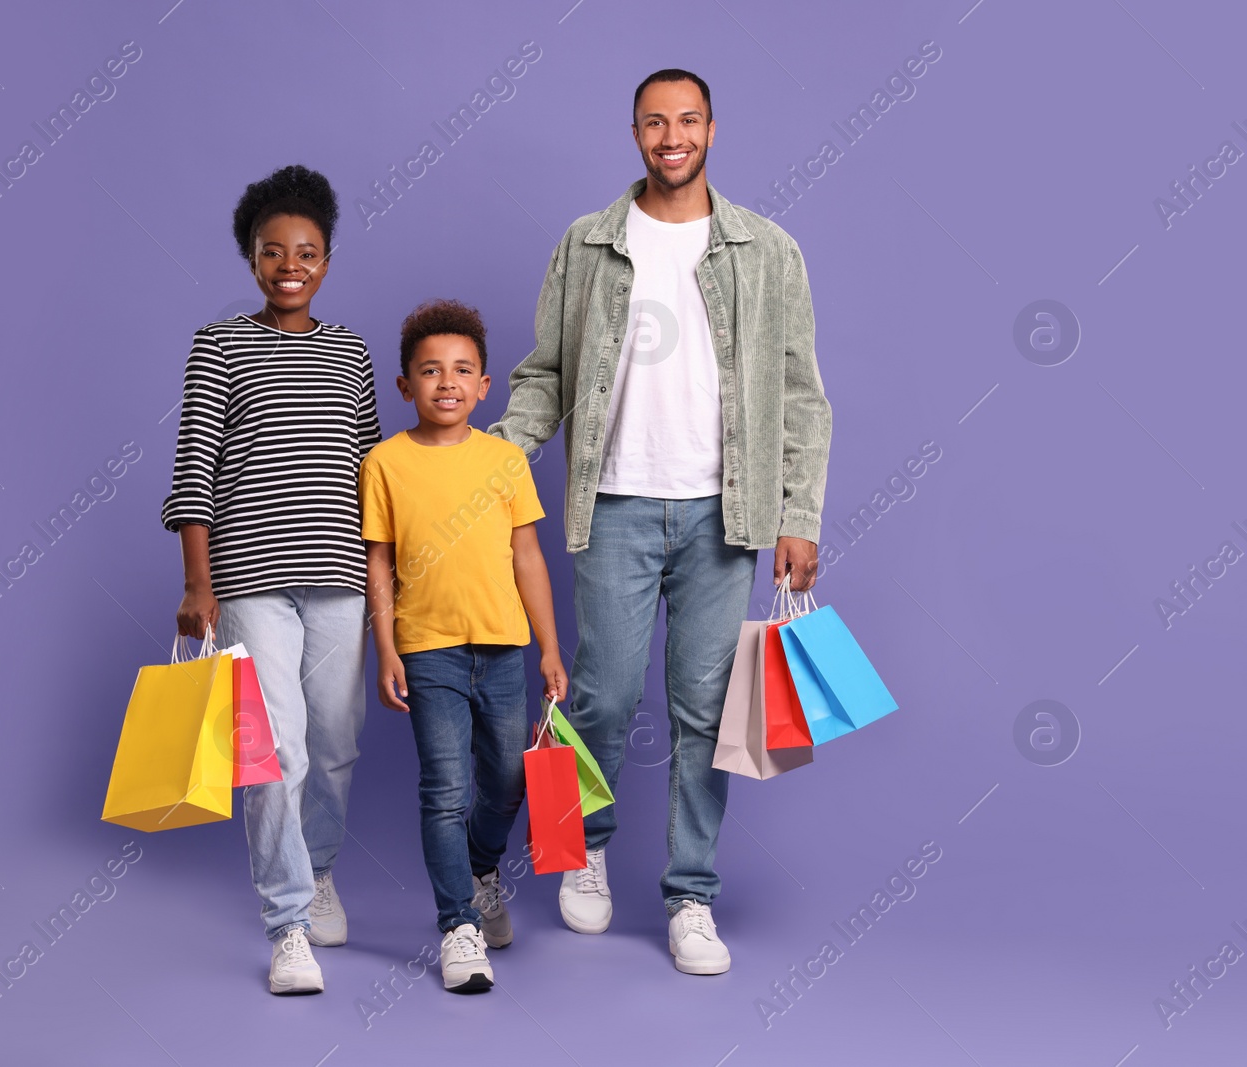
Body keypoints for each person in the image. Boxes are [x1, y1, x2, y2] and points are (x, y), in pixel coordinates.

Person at [487, 69, 832, 975]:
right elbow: (545, 376)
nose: (671, 136)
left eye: (687, 120)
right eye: (654, 122)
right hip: (614, 502)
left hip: (730, 512)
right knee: (596, 694)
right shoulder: (588, 243)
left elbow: (802, 397)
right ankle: (578, 846)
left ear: (712, 127)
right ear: (634, 132)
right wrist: (491, 464)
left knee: (706, 710)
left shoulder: (767, 250)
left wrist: (799, 514)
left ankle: (691, 896)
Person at [163, 165, 380, 996]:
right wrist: (197, 582)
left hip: (339, 578)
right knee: (277, 749)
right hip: (250, 580)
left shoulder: (352, 353)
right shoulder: (219, 344)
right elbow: (194, 469)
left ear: (326, 261)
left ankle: (318, 868)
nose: (291, 264)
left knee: (335, 744)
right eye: (273, 252)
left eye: (308, 252)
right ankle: (289, 921)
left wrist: (386, 582)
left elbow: (370, 473)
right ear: (252, 260)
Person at [360, 299, 567, 992]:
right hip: (429, 652)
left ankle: (482, 868)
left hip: (506, 649)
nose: (445, 382)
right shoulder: (384, 463)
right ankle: (459, 925)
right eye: (429, 370)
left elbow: (529, 558)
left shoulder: (506, 461)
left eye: (462, 370)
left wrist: (549, 649)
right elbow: (380, 564)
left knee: (508, 783)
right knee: (444, 788)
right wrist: (386, 648)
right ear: (405, 385)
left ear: (484, 386)